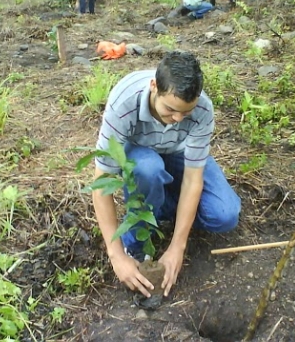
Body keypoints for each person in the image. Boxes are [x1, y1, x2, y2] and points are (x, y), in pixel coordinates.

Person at [92, 51, 241, 299]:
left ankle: (158, 203)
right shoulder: (124, 103)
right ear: (154, 87)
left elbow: (194, 178)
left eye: (186, 112)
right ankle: (136, 241)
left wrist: (176, 248)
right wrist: (115, 255)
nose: (177, 119)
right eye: (171, 109)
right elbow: (101, 183)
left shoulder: (202, 108)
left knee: (224, 215)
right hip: (141, 155)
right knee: (147, 169)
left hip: (179, 154)